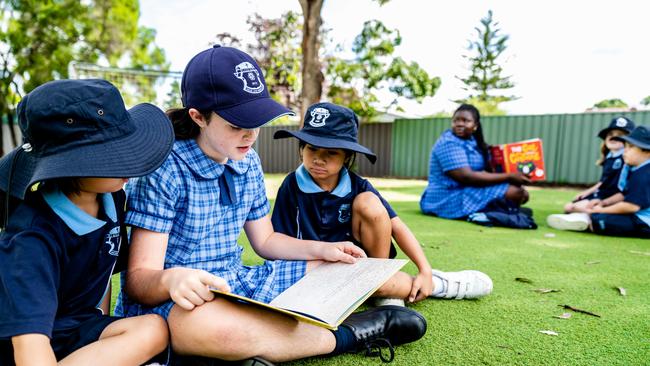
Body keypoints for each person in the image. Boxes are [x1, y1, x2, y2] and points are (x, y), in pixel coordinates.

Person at [115, 46, 427, 364]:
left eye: (257, 121)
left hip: (235, 282)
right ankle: (347, 334)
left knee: (371, 275)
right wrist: (172, 279)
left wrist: (322, 250)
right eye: (237, 124)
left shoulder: (247, 160)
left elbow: (265, 241)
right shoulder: (166, 168)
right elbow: (140, 280)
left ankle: (441, 282)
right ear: (198, 117)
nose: (250, 135)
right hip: (179, 299)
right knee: (214, 330)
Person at [0, 79, 173, 365]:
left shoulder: (111, 198)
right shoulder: (31, 238)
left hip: (76, 329)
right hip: (27, 342)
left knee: (153, 328)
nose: (130, 162)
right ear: (72, 164)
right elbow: (29, 345)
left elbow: (102, 278)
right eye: (113, 156)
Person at [272, 102, 494, 305]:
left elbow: (396, 226)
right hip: (313, 265)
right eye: (311, 148)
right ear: (301, 148)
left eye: (331, 152)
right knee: (326, 285)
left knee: (370, 203)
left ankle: (417, 281)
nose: (319, 159)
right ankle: (418, 286)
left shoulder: (358, 185)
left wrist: (424, 269)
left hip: (360, 263)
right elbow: (278, 242)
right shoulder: (291, 186)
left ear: (347, 157)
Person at [420, 104, 530, 219]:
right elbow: (466, 177)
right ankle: (496, 211)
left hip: (467, 189)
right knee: (515, 193)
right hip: (446, 196)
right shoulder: (448, 143)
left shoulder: (474, 142)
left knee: (523, 194)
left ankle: (497, 211)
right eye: (456, 120)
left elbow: (485, 171)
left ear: (475, 125)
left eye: (466, 121)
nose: (459, 124)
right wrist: (510, 177)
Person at [547, 125, 650, 238]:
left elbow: (631, 206)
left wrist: (602, 210)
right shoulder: (639, 169)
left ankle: (585, 221)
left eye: (630, 147)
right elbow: (624, 194)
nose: (625, 151)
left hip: (644, 222)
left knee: (600, 219)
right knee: (598, 214)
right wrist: (603, 203)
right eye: (625, 146)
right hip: (638, 216)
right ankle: (583, 218)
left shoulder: (644, 174)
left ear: (647, 152)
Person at [562, 117, 635, 213]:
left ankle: (591, 218)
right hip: (601, 193)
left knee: (575, 208)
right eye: (610, 134)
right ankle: (585, 217)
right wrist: (587, 192)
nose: (613, 138)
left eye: (620, 135)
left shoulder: (627, 159)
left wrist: (603, 202)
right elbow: (603, 181)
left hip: (613, 197)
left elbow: (624, 190)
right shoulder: (608, 158)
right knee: (568, 207)